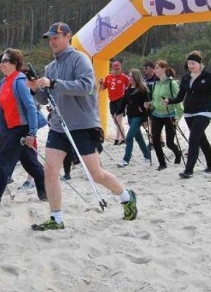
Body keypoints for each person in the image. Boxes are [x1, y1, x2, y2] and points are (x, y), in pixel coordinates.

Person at [29, 22, 138, 230]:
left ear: (68, 36)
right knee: (50, 170)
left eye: (56, 37)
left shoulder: (80, 59)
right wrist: (35, 89)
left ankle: (126, 196)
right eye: (50, 39)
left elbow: (86, 86)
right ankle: (56, 218)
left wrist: (53, 83)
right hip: (59, 126)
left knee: (96, 174)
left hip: (83, 125)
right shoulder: (50, 67)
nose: (52, 42)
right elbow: (45, 99)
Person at [0, 48, 47, 209]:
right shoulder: (4, 82)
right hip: (12, 129)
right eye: (1, 61)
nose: (1, 64)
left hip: (22, 128)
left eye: (5, 61)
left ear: (14, 63)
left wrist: (31, 132)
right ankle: (46, 193)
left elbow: (31, 108)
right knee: (31, 163)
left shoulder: (19, 81)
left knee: (3, 159)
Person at [164, 51, 211, 179]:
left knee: (193, 139)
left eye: (193, 63)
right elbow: (180, 97)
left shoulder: (208, 76)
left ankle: (189, 170)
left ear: (199, 63)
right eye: (189, 63)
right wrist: (170, 101)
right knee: (201, 138)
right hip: (189, 112)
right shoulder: (186, 78)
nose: (190, 65)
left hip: (204, 111)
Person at [147, 60, 183, 170]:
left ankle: (178, 153)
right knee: (156, 140)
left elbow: (178, 101)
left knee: (170, 143)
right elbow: (155, 100)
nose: (155, 70)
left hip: (170, 115)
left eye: (157, 68)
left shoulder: (172, 83)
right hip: (156, 115)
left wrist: (177, 117)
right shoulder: (156, 84)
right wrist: (150, 104)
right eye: (155, 68)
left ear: (164, 69)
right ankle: (162, 163)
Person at [116, 69, 152, 167]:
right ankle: (147, 156)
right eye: (129, 76)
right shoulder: (128, 89)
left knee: (129, 137)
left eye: (131, 76)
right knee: (139, 138)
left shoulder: (143, 90)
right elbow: (123, 102)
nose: (129, 78)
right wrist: (118, 112)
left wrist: (145, 119)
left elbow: (146, 106)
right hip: (130, 117)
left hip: (138, 117)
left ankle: (126, 159)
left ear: (136, 77)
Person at [99, 59, 129, 145]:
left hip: (120, 100)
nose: (117, 70)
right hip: (112, 100)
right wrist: (101, 83)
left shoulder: (124, 77)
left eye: (118, 69)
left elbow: (129, 87)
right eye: (115, 69)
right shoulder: (108, 77)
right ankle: (123, 138)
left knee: (118, 120)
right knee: (115, 121)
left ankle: (116, 139)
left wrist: (127, 100)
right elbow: (102, 88)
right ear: (112, 69)